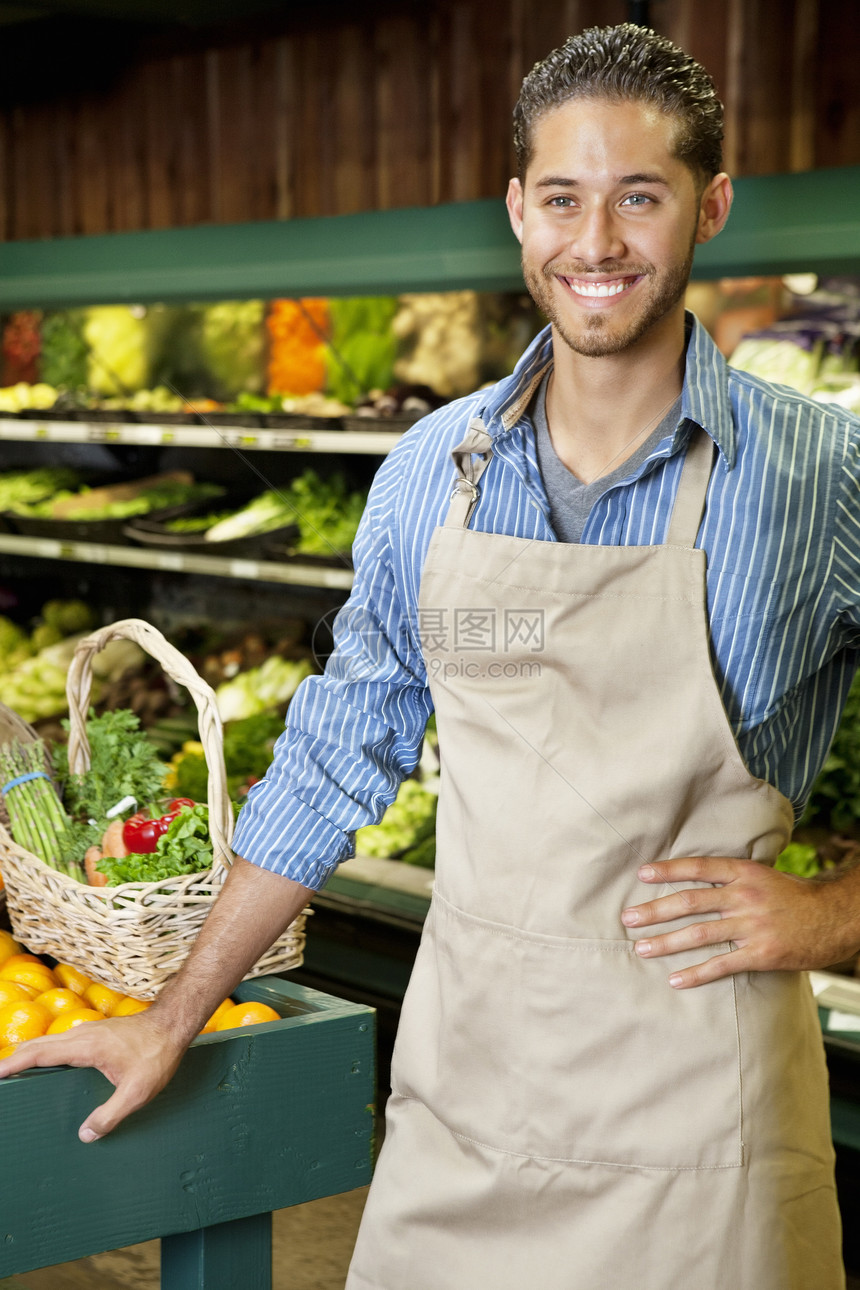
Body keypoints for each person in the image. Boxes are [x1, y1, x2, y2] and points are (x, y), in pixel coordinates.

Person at [2, 22, 860, 1289]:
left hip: (701, 1121)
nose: (598, 243)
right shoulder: (431, 472)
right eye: (562, 197)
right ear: (518, 212)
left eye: (640, 195)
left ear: (711, 204)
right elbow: (336, 758)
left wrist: (832, 916)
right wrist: (169, 1013)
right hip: (466, 1105)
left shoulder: (818, 476)